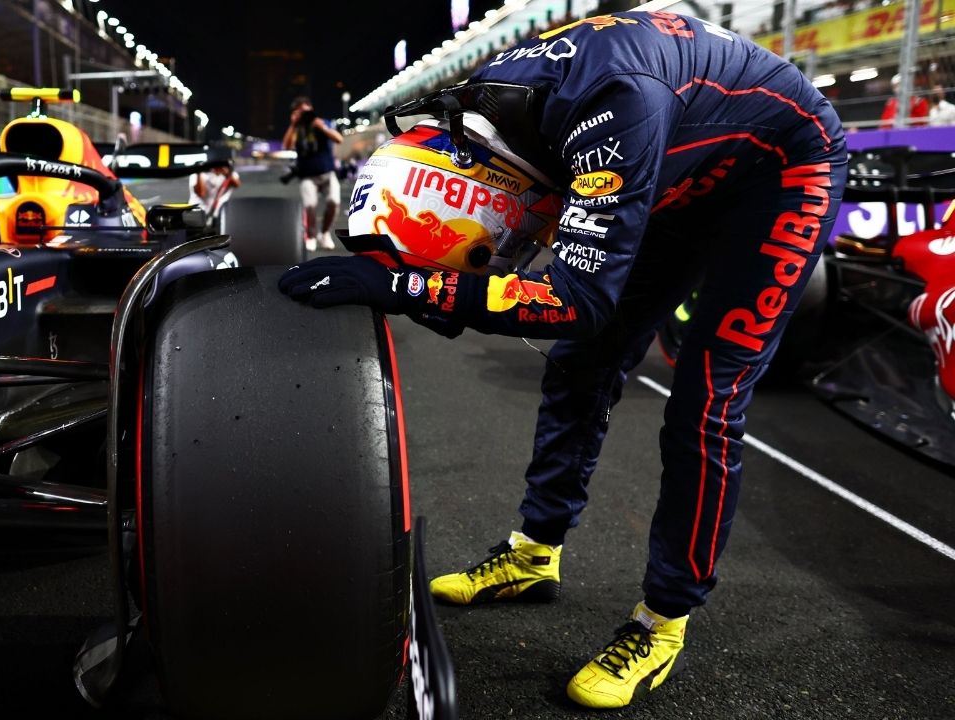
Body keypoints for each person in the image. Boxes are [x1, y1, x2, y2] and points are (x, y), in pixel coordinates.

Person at [278, 10, 846, 710]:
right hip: (676, 150)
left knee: (706, 405)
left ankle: (661, 621)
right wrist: (437, 282)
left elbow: (578, 298)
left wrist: (409, 285)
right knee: (581, 365)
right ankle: (534, 551)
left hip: (782, 171)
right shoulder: (487, 99)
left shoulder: (610, 112)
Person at [282, 96, 343, 251]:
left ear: (311, 109)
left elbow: (339, 139)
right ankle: (310, 236)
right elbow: (286, 145)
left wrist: (322, 127)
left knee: (334, 203)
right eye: (299, 112)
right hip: (307, 175)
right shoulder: (297, 129)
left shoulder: (322, 123)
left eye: (305, 111)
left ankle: (324, 234)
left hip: (327, 172)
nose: (303, 115)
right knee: (310, 206)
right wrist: (293, 124)